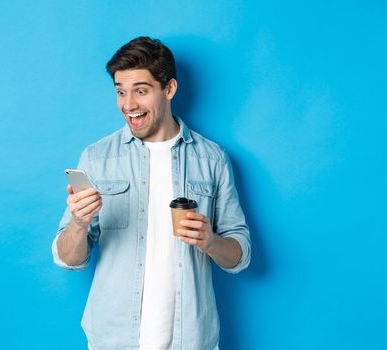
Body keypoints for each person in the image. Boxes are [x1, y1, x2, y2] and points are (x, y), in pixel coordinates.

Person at [51, 36, 251, 350]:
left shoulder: (212, 159)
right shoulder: (96, 157)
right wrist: (78, 223)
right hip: (113, 339)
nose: (128, 105)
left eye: (141, 91)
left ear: (169, 89)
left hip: (192, 340)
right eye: (120, 91)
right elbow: (67, 259)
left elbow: (240, 256)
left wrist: (210, 241)